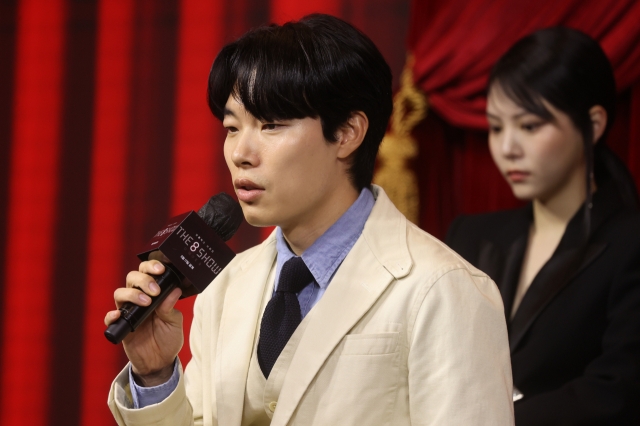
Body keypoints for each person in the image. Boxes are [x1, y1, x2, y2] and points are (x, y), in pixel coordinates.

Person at [106, 14, 514, 426]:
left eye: (271, 125)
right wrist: (156, 374)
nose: (241, 153)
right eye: (232, 127)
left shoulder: (442, 289)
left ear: (348, 133)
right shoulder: (226, 286)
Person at [446, 27, 640, 425]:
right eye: (497, 127)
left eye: (530, 126)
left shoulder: (630, 241)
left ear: (594, 124)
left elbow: (617, 390)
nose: (507, 148)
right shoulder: (468, 236)